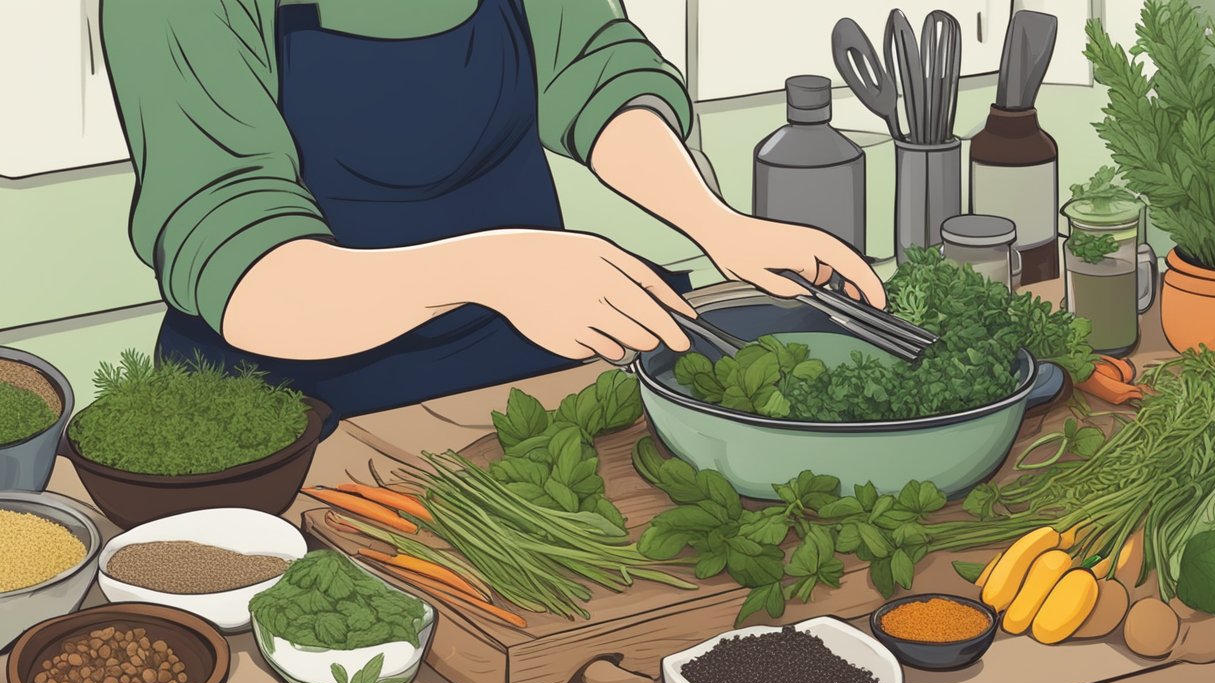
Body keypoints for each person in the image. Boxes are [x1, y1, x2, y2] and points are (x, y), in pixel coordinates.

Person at [102, 0, 885, 432]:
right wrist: (495, 269)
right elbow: (245, 270)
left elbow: (594, 70)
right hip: (300, 422)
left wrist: (720, 226)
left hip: (523, 384)